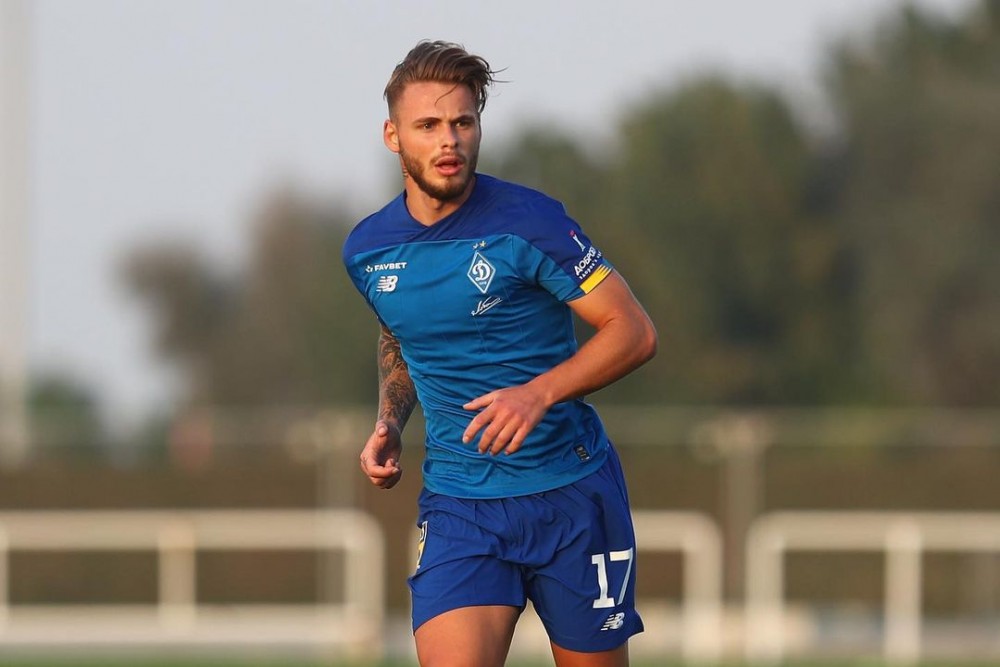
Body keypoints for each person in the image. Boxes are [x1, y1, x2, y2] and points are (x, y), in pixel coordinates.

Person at [342, 40, 657, 667]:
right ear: (392, 135)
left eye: (462, 122)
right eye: (428, 125)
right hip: (460, 507)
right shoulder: (368, 251)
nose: (448, 140)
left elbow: (633, 330)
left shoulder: (531, 222)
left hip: (571, 494)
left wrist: (539, 393)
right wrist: (389, 422)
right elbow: (400, 336)